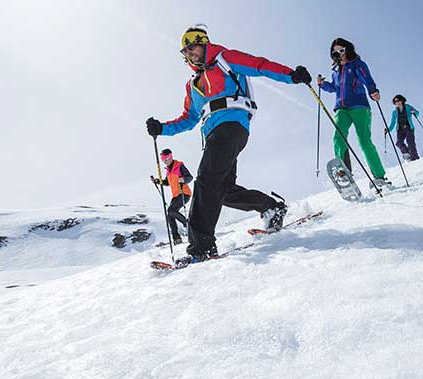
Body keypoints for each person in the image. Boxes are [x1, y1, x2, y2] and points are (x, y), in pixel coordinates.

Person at [146, 25, 311, 263]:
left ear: (203, 43)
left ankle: (200, 247)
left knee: (206, 180)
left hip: (233, 125)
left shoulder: (225, 58)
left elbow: (259, 65)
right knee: (222, 190)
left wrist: (291, 75)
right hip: (213, 133)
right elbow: (189, 118)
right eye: (185, 51)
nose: (190, 54)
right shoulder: (193, 83)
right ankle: (271, 207)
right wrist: (162, 127)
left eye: (192, 47)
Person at [317, 37, 390, 187]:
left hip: (359, 107)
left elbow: (366, 78)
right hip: (341, 109)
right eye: (335, 51)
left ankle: (379, 176)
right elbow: (335, 88)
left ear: (347, 50)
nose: (339, 53)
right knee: (338, 137)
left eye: (342, 50)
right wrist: (323, 84)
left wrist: (373, 91)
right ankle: (344, 173)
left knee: (364, 141)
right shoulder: (336, 70)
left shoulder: (357, 63)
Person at [151, 149, 193, 245]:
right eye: (163, 159)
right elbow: (167, 182)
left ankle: (187, 223)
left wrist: (184, 179)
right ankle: (176, 238)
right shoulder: (168, 170)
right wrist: (158, 181)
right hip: (176, 195)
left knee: (171, 211)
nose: (165, 161)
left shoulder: (179, 166)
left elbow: (189, 177)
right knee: (169, 214)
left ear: (170, 157)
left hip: (184, 193)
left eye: (166, 159)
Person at [385, 94, 420, 161]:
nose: (397, 102)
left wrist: (414, 112)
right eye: (395, 102)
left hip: (409, 128)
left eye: (398, 100)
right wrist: (388, 130)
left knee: (410, 142)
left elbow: (417, 113)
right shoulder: (394, 112)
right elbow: (392, 123)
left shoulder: (408, 107)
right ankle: (407, 153)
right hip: (400, 129)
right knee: (399, 142)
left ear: (402, 100)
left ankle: (414, 157)